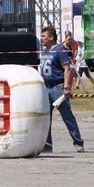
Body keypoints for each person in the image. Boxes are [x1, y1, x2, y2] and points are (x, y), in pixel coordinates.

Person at [38, 26, 84, 154]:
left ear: (51, 37)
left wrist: (67, 87)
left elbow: (67, 69)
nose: (41, 39)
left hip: (58, 87)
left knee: (67, 116)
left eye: (44, 36)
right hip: (45, 87)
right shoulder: (44, 51)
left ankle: (78, 142)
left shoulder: (59, 50)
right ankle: (47, 145)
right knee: (46, 118)